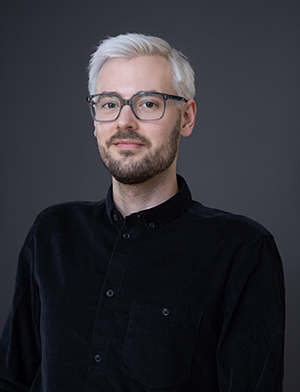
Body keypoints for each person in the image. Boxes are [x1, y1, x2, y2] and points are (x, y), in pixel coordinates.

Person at [0, 33, 285, 391]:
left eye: (148, 103)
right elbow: (12, 378)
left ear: (186, 118)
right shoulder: (52, 234)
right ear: (95, 120)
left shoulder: (242, 251)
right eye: (108, 104)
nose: (124, 121)